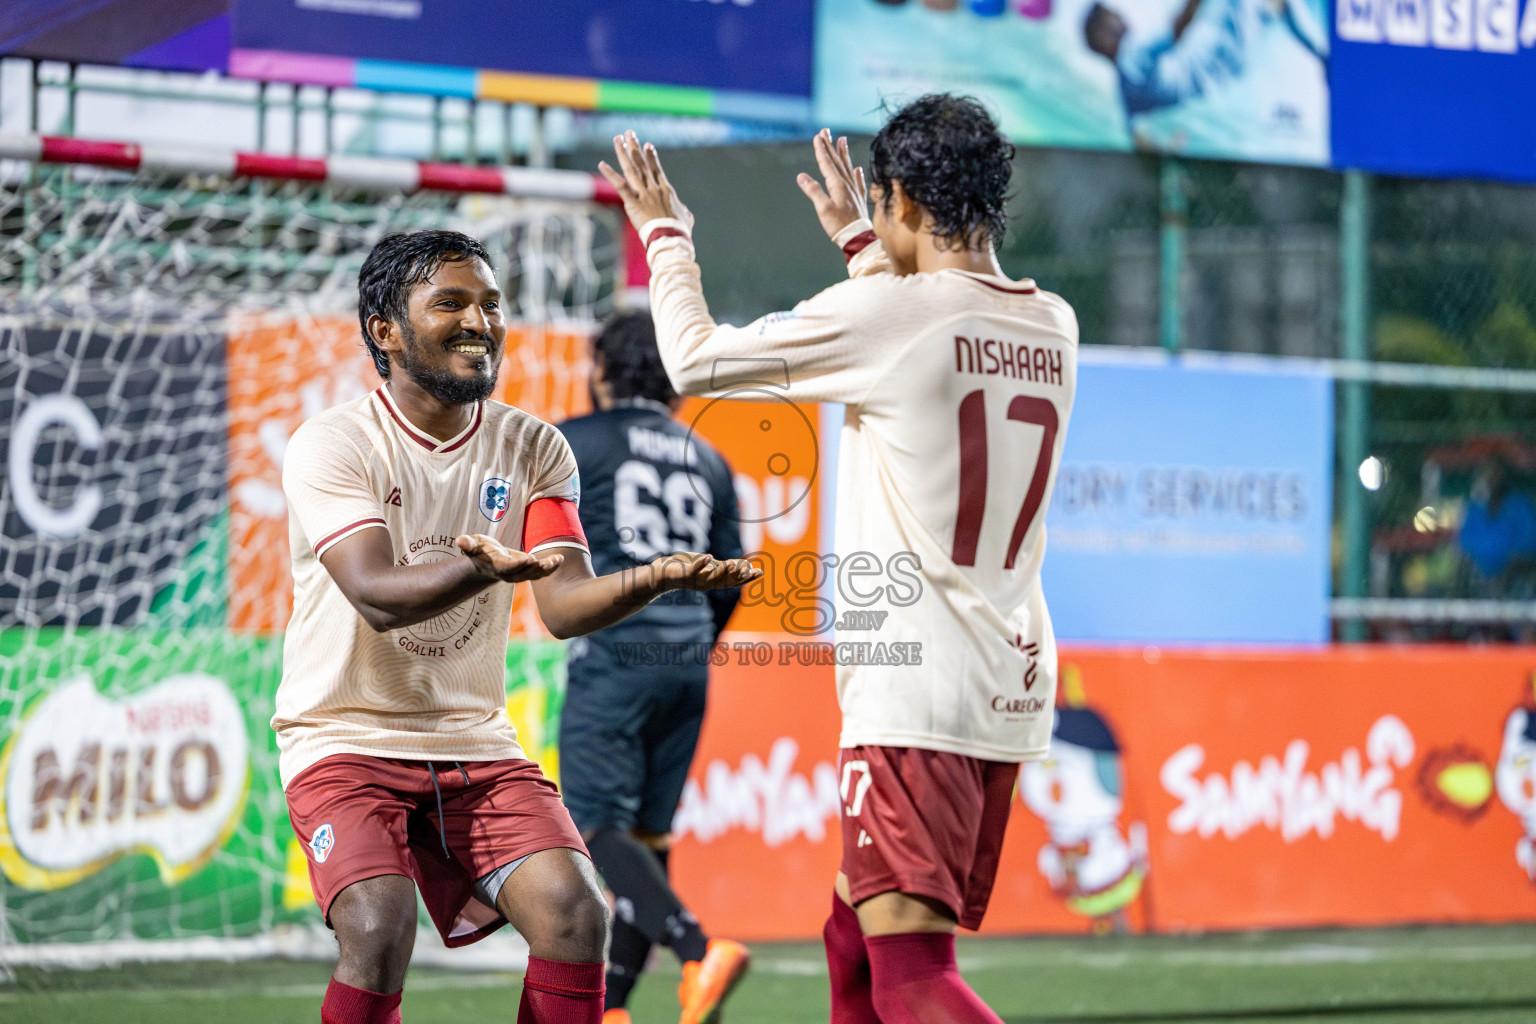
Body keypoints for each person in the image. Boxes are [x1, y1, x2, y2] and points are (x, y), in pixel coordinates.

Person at [598, 95, 1079, 1023]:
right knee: (851, 941)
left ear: (900, 196)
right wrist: (868, 245)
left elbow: (695, 362)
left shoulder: (890, 314)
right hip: (1007, 676)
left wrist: (664, 234)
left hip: (916, 692)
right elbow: (934, 341)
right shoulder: (1050, 322)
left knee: (912, 975)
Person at [274, 229, 758, 1024]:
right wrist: (481, 568)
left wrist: (653, 576)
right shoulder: (334, 443)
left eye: (492, 304)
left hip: (473, 741)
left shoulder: (537, 445)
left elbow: (565, 606)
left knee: (577, 914)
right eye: (452, 303)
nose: (480, 321)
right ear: (384, 330)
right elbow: (375, 593)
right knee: (379, 924)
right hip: (344, 735)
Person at [556, 311, 750, 1024]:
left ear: (603, 369)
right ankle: (612, 1009)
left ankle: (699, 952)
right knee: (644, 842)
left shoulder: (576, 440)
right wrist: (691, 640)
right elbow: (732, 578)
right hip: (687, 661)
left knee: (593, 826)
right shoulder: (710, 459)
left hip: (614, 656)